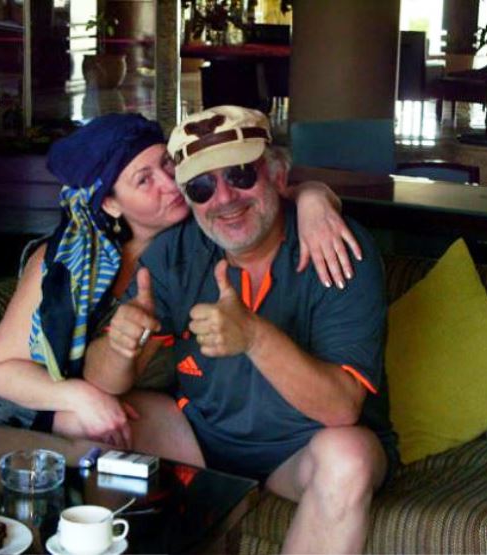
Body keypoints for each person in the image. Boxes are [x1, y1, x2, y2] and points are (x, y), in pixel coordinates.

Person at [0, 112, 364, 458]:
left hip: (126, 400)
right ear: (110, 203)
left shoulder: (206, 231)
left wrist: (314, 198)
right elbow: (0, 371)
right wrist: (81, 396)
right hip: (17, 399)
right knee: (97, 424)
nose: (170, 186)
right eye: (143, 180)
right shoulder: (66, 257)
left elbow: (260, 190)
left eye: (168, 166)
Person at [84, 105, 398, 553]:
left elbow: (341, 408)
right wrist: (120, 345)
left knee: (350, 457)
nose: (225, 198)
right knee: (86, 416)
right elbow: (102, 382)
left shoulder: (336, 246)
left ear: (277, 176)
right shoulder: (176, 252)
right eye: (202, 187)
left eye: (240, 175)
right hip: (199, 441)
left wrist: (254, 337)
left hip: (301, 452)